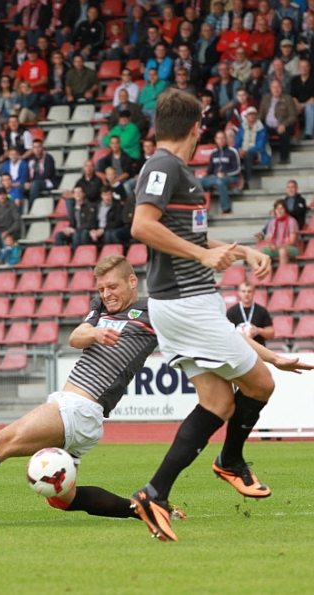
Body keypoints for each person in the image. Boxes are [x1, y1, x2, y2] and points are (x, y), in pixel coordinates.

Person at [128, 89, 305, 542]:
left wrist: (241, 251)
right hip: (186, 301)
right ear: (197, 127)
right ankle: (230, 460)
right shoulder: (164, 166)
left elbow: (189, 238)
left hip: (184, 302)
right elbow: (142, 225)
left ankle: (154, 493)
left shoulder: (175, 170)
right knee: (261, 384)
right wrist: (203, 258)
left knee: (219, 402)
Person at [0, 256, 184, 522]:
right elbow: (76, 338)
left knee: (1, 443)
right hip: (76, 411)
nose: (106, 294)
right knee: (62, 498)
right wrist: (94, 333)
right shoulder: (100, 309)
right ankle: (142, 509)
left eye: (113, 287)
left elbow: (186, 323)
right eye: (101, 289)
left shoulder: (151, 312)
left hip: (79, 409)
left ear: (132, 281)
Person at [199, 131, 241, 215]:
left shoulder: (233, 151)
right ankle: (201, 208)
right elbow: (210, 169)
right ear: (215, 140)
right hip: (215, 177)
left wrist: (224, 174)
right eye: (219, 138)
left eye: (223, 138)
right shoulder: (214, 153)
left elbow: (237, 169)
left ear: (225, 139)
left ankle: (226, 209)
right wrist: (206, 174)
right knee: (198, 181)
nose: (221, 140)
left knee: (219, 181)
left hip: (231, 177)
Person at [258, 79, 298, 164]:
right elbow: (261, 115)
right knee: (260, 132)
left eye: (278, 87)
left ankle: (283, 158)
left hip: (284, 125)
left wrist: (284, 124)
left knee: (284, 134)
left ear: (282, 88)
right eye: (274, 87)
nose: (276, 89)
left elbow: (293, 116)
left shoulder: (288, 98)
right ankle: (262, 159)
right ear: (270, 88)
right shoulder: (266, 98)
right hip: (268, 126)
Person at [227, 282, 275, 347]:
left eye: (249, 291)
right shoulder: (232, 312)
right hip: (239, 349)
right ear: (239, 293)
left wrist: (259, 331)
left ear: (254, 293)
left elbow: (271, 333)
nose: (246, 294)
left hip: (257, 349)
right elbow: (226, 333)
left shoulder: (261, 311)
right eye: (243, 291)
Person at [256, 199, 301, 266]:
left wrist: (277, 247)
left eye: (281, 208)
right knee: (258, 251)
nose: (279, 211)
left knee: (282, 251)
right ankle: (265, 271)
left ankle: (282, 272)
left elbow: (292, 242)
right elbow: (270, 239)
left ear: (285, 209)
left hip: (290, 248)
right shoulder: (272, 222)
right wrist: (270, 245)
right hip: (276, 247)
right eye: (277, 208)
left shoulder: (292, 221)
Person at [234, 106, 271, 185]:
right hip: (243, 150)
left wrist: (246, 151)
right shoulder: (242, 127)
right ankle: (233, 180)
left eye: (253, 114)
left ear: (256, 116)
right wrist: (238, 150)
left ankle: (247, 181)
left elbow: (260, 145)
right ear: (246, 116)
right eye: (250, 114)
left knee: (248, 155)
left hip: (257, 152)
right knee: (232, 154)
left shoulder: (262, 128)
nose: (251, 116)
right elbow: (237, 141)